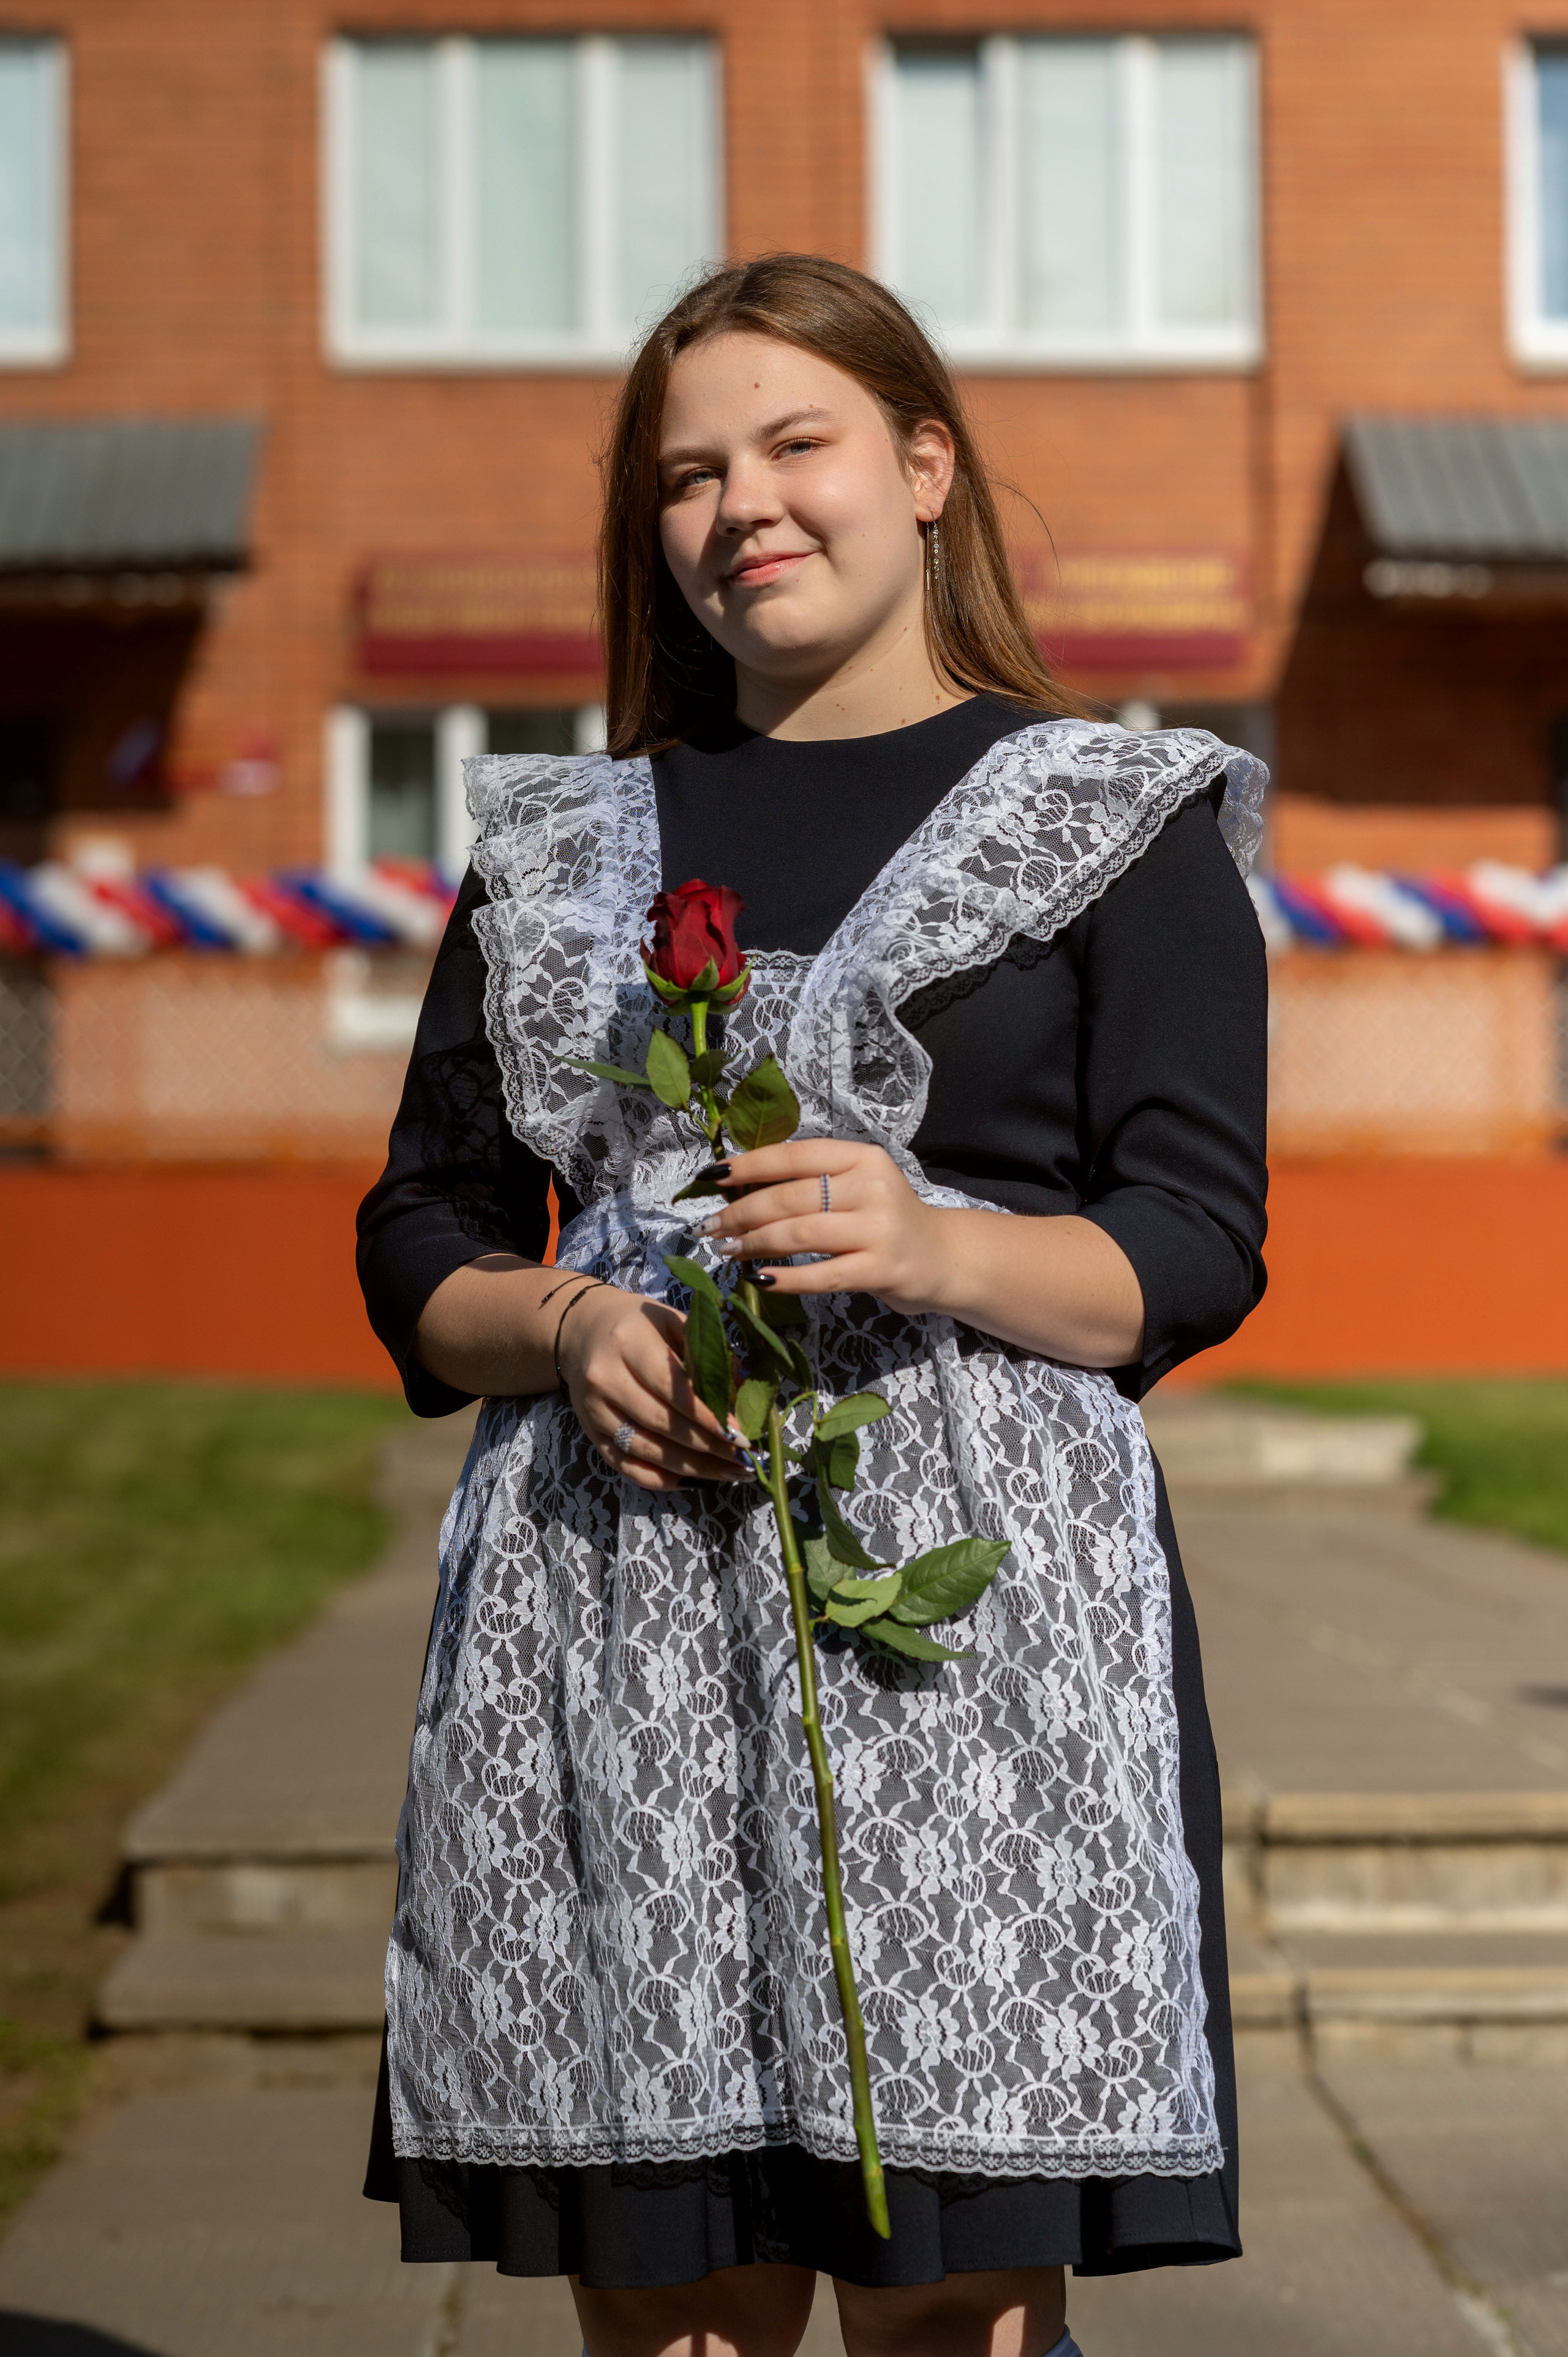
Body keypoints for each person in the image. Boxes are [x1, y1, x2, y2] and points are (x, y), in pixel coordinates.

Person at [358, 253, 1268, 2357]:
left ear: (924, 464)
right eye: (686, 475)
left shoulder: (1114, 821)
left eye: (795, 445)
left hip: (965, 1625)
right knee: (675, 2311)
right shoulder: (559, 846)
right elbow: (421, 1235)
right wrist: (573, 1328)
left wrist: (936, 1241)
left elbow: (1195, 1243)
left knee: (953, 2300)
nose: (740, 507)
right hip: (609, 1617)